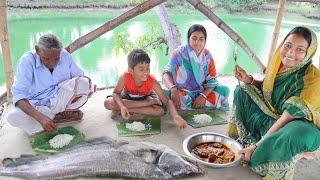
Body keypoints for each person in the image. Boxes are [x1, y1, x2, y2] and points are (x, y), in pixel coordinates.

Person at [229, 26, 320, 179]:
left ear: (308, 52)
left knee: (294, 134)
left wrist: (257, 146)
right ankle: (255, 141)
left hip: (295, 125)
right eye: (288, 46)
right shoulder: (278, 63)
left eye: (300, 50)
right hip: (274, 115)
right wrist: (249, 80)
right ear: (283, 44)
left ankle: (261, 150)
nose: (291, 53)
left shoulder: (313, 79)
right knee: (242, 91)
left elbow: (287, 117)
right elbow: (267, 90)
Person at [5, 34, 94, 136]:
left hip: (58, 99)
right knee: (13, 117)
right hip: (36, 105)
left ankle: (63, 112)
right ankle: (53, 117)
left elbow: (80, 77)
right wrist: (40, 117)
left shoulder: (65, 55)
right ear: (37, 50)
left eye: (56, 59)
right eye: (46, 58)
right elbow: (19, 95)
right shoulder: (27, 61)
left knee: (84, 84)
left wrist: (73, 101)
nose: (52, 63)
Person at [104, 49, 187, 129]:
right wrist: (122, 107)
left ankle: (125, 109)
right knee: (108, 103)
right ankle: (143, 104)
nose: (146, 72)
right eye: (141, 69)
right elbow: (116, 93)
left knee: (160, 111)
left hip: (146, 97)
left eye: (147, 68)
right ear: (130, 70)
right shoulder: (125, 77)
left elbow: (167, 101)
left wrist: (176, 116)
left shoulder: (152, 81)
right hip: (128, 97)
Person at [162, 24, 230, 110]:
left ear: (205, 41)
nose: (197, 42)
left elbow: (212, 81)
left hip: (201, 91)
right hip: (181, 91)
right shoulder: (179, 53)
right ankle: (192, 104)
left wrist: (203, 96)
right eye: (194, 38)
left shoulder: (207, 56)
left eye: (201, 39)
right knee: (165, 94)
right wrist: (173, 89)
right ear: (188, 39)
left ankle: (194, 104)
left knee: (224, 90)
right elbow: (166, 73)